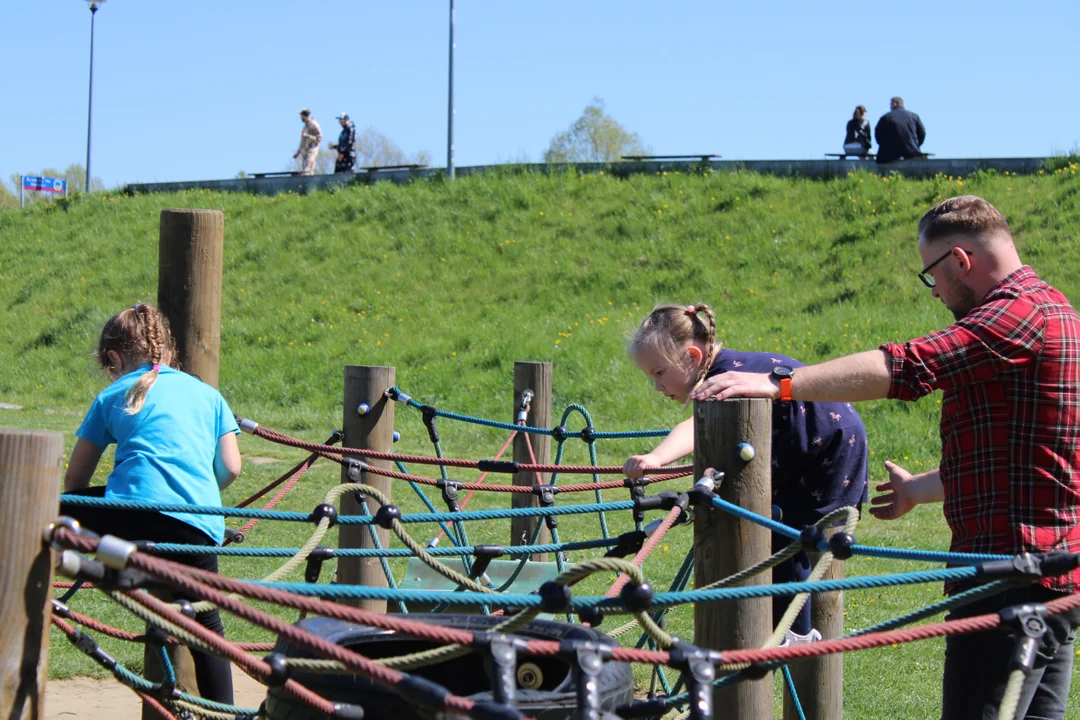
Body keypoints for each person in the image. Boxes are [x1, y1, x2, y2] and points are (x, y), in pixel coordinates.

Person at [692, 195, 1080, 720]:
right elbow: (1027, 455)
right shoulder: (1056, 312)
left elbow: (907, 367)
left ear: (960, 261)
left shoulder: (1015, 316)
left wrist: (778, 384)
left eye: (932, 277)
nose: (937, 293)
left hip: (1010, 575)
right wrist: (920, 488)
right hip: (1046, 569)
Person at [623, 303, 869, 645]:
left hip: (825, 454)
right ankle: (787, 627)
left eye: (660, 373)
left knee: (780, 532)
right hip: (816, 447)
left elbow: (693, 425)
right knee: (778, 530)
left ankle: (793, 633)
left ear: (693, 357)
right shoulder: (728, 369)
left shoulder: (724, 379)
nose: (656, 386)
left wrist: (657, 457)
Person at [62, 303, 242, 705]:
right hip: (198, 525)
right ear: (169, 352)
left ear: (113, 358)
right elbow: (231, 468)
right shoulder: (209, 395)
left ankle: (104, 572)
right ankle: (224, 712)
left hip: (131, 519)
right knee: (206, 625)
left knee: (48, 512)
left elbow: (74, 482)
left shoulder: (113, 394)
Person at [874, 96, 926, 164]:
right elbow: (922, 132)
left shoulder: (886, 117)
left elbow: (878, 134)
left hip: (889, 152)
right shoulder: (914, 116)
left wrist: (884, 145)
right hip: (911, 150)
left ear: (894, 104)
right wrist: (916, 144)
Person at [293, 108, 322, 176]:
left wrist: (308, 136)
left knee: (308, 171)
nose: (300, 117)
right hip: (305, 152)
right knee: (305, 172)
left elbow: (319, 139)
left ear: (304, 115)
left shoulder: (314, 124)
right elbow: (303, 140)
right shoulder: (305, 126)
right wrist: (298, 152)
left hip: (312, 151)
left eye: (301, 115)